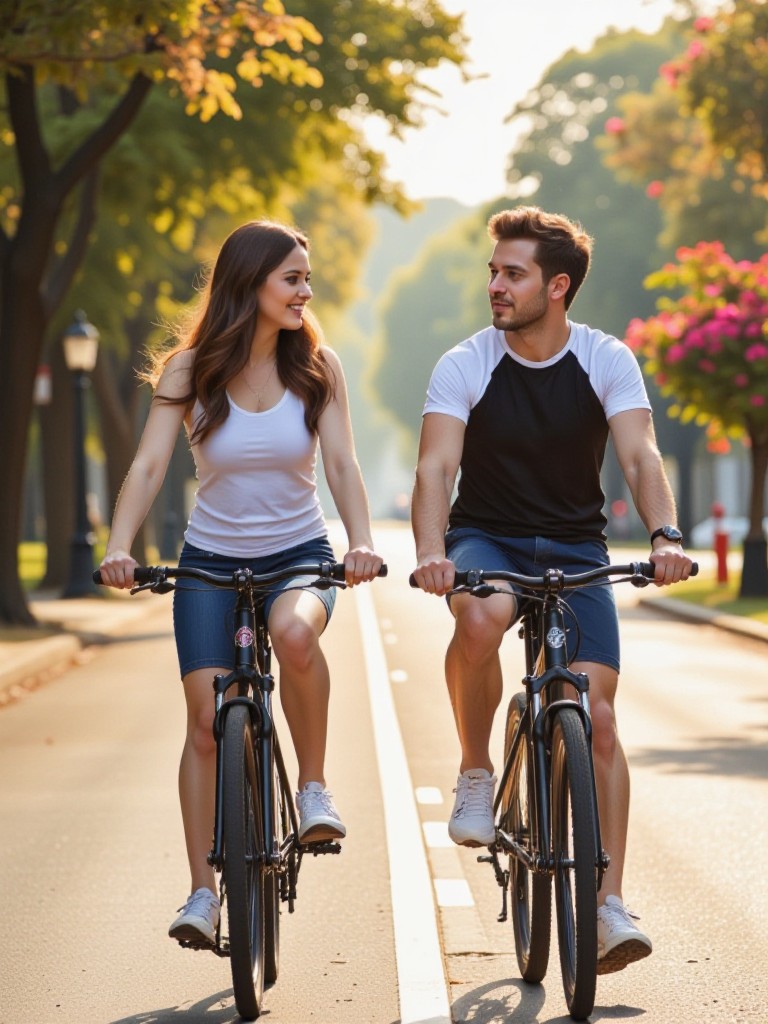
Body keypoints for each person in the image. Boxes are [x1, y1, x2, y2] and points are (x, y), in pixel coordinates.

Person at [410, 206, 694, 975]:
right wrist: (433, 552)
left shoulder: (606, 358)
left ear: (557, 286)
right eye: (493, 272)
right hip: (488, 539)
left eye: (513, 274)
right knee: (482, 617)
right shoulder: (466, 361)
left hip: (575, 546)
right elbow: (436, 467)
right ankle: (477, 771)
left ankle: (607, 907)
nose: (495, 285)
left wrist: (665, 535)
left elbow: (639, 454)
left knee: (597, 717)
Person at [99, 220, 383, 948]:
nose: (305, 292)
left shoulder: (317, 367)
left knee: (293, 633)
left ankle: (313, 787)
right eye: (291, 278)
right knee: (204, 721)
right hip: (210, 562)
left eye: (306, 278)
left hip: (298, 553)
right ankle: (202, 892)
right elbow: (150, 466)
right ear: (250, 282)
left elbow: (344, 465)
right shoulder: (190, 372)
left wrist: (360, 542)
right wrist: (119, 545)